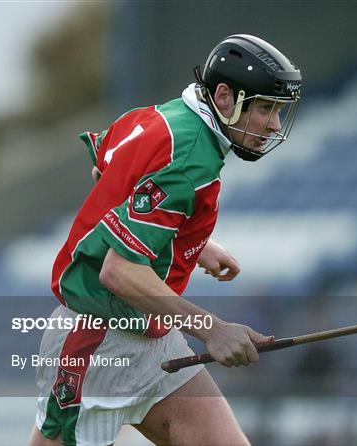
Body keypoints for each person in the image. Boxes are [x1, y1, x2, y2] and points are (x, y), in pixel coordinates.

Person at [29, 34, 301, 445]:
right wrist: (213, 330)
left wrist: (187, 246)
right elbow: (118, 271)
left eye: (278, 110)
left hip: (152, 338)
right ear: (224, 96)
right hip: (99, 341)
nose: (275, 124)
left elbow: (107, 178)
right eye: (266, 108)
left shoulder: (159, 116)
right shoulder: (192, 153)